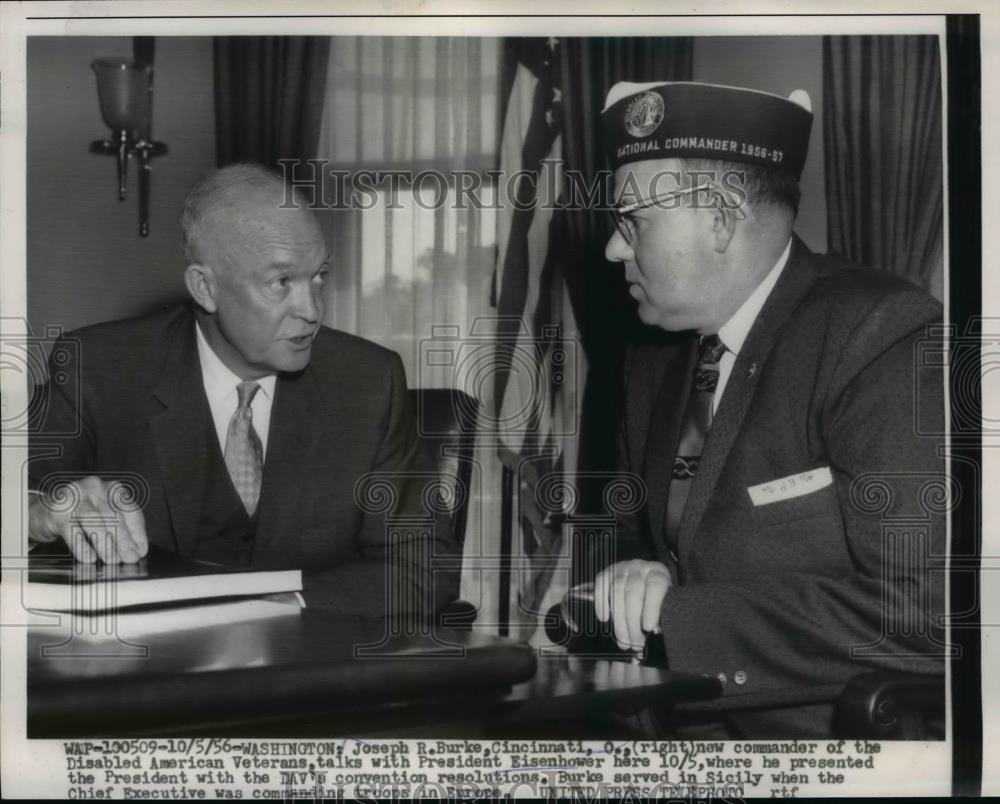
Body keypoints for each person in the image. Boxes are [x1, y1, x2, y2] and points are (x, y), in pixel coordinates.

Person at [589, 81, 946, 738]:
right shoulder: (651, 360)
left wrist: (677, 616)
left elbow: (921, 612)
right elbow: (645, 545)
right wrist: (637, 574)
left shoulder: (877, 334)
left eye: (632, 221)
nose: (614, 248)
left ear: (721, 219)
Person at [28, 163, 458, 617]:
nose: (311, 310)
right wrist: (38, 513)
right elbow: (22, 511)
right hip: (150, 673)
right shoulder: (98, 366)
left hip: (308, 668)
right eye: (281, 282)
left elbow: (422, 565)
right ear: (205, 288)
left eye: (319, 276)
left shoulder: (369, 382)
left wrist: (279, 605)